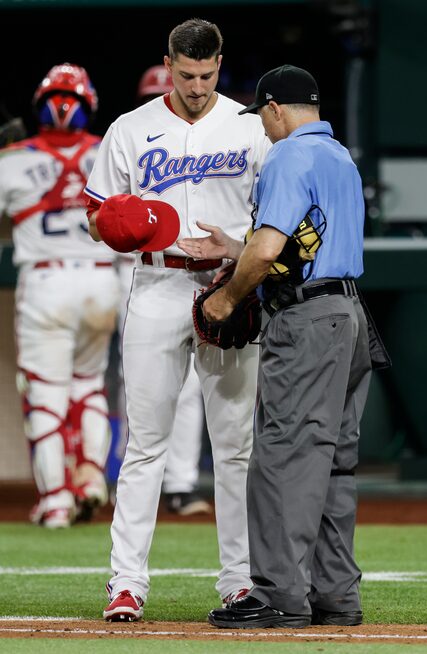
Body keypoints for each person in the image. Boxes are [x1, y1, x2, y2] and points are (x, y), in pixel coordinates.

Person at [85, 18, 270, 621]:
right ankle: (127, 583)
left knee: (235, 445)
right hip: (159, 284)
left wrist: (239, 250)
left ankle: (239, 583)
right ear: (168, 65)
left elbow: (276, 211)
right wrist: (119, 225)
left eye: (207, 74)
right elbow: (97, 214)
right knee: (145, 446)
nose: (196, 85)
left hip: (230, 286)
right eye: (186, 74)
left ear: (221, 64)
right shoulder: (130, 128)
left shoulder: (249, 126)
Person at [179, 64, 372, 629]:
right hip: (349, 314)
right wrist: (232, 248)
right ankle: (335, 595)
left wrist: (227, 297)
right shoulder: (339, 157)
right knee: (333, 460)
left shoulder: (287, 155)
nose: (262, 127)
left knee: (282, 456)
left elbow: (268, 254)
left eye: (261, 115)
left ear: (275, 108)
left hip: (306, 318)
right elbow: (302, 240)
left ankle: (280, 595)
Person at [0, 63, 120, 528]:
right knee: (88, 384)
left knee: (45, 393)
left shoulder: (13, 158)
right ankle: (90, 479)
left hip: (46, 282)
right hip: (101, 278)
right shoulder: (110, 151)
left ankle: (55, 500)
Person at [114, 64, 211, 517]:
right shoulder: (130, 134)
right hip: (139, 273)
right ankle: (128, 475)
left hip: (206, 274)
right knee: (138, 388)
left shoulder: (221, 133)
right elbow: (98, 219)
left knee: (191, 390)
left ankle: (182, 482)